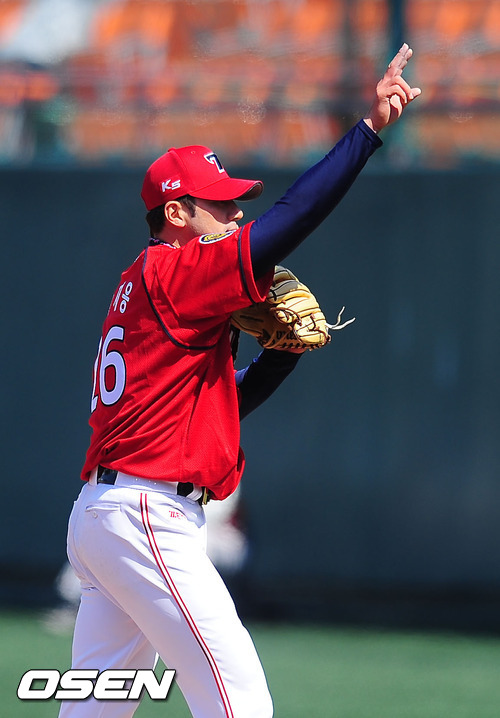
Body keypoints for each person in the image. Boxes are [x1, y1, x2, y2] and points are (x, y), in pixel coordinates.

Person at [59, 44, 421, 718]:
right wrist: (368, 131)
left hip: (108, 514)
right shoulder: (178, 270)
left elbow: (219, 406)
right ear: (175, 213)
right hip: (145, 516)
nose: (235, 217)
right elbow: (291, 217)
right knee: (239, 700)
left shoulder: (145, 284)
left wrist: (282, 357)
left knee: (95, 708)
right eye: (220, 205)